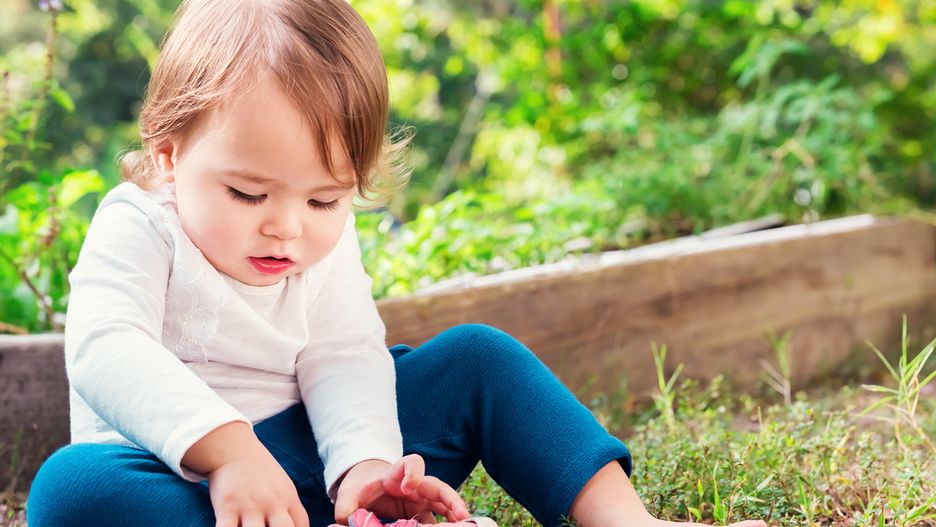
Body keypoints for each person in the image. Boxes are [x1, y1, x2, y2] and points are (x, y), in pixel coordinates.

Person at [26, 1, 769, 527]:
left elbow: (345, 354)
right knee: (69, 490)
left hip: (314, 458)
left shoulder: (323, 239)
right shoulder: (136, 225)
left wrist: (363, 470)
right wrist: (228, 453)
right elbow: (105, 348)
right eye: (249, 191)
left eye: (325, 200)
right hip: (181, 477)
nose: (288, 226)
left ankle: (627, 520)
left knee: (477, 357)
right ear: (169, 152)